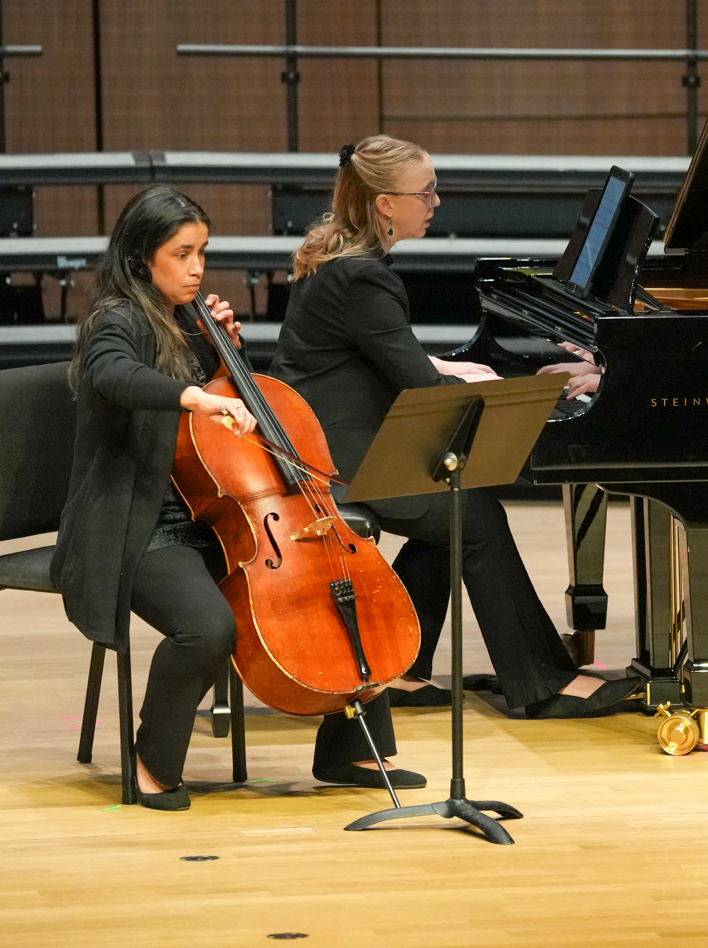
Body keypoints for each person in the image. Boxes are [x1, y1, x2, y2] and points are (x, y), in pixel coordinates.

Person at [52, 184, 421, 811]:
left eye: (202, 252)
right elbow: (113, 374)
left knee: (346, 592)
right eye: (182, 254)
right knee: (206, 628)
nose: (197, 267)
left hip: (218, 520)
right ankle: (152, 761)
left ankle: (348, 750)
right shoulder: (115, 321)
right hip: (138, 523)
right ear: (144, 258)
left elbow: (228, 434)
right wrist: (197, 395)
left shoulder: (187, 320)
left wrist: (225, 355)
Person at [270, 134, 639, 720]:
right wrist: (504, 391)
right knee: (474, 512)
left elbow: (372, 354)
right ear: (386, 203)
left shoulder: (344, 261)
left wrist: (449, 366)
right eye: (426, 191)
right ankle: (540, 683)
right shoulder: (363, 277)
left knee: (452, 505)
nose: (436, 201)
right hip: (336, 458)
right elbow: (418, 385)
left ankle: (400, 670)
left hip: (327, 438)